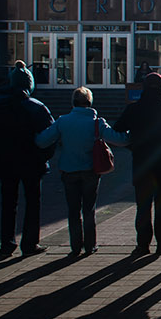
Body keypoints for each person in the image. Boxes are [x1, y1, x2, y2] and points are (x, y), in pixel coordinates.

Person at [37, 87, 130, 257]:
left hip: (68, 170)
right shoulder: (97, 123)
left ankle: (75, 246)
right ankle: (90, 245)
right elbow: (120, 140)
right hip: (90, 170)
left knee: (73, 210)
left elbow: (42, 141)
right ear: (89, 102)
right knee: (89, 208)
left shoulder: (62, 121)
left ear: (73, 102)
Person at [0, 62, 55, 258]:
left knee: (8, 203)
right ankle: (30, 243)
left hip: (5, 162)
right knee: (33, 203)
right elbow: (50, 136)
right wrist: (44, 156)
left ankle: (6, 243)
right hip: (32, 162)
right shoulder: (36, 107)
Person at [113, 73, 161, 256]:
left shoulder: (134, 109)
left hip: (142, 162)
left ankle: (143, 244)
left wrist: (132, 146)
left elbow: (117, 130)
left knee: (143, 206)